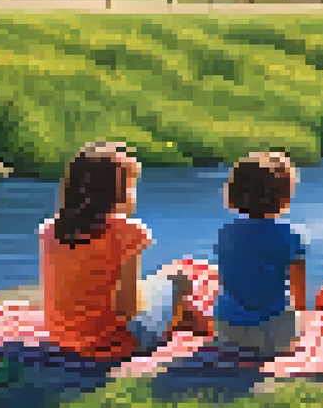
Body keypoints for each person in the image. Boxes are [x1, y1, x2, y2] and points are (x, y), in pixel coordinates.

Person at [38, 140, 202, 361]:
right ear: (116, 191)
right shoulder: (127, 231)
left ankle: (180, 316)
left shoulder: (50, 230)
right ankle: (186, 321)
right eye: (131, 185)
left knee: (157, 286)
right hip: (113, 341)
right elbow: (128, 309)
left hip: (62, 338)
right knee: (179, 279)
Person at [213, 151, 307, 358]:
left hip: (229, 332)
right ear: (284, 197)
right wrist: (302, 322)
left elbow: (227, 279)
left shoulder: (225, 232)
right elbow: (299, 292)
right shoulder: (291, 234)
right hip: (274, 334)